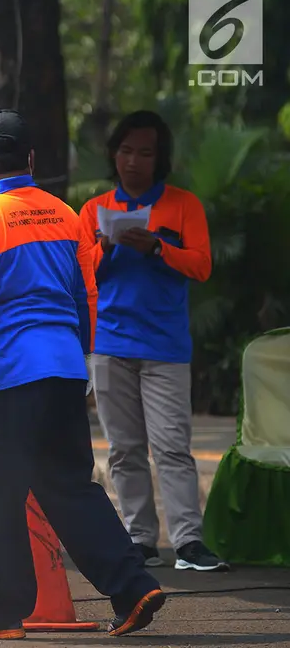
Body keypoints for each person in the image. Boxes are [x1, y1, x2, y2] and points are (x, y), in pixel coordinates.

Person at [0, 109, 164, 640]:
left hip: (4, 378)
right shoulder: (65, 213)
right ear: (31, 159)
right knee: (71, 489)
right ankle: (131, 585)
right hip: (61, 372)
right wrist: (80, 358)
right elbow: (88, 295)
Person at [79, 111, 226, 572]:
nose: (133, 161)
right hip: (110, 344)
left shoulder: (183, 206)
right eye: (125, 151)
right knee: (123, 449)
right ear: (114, 155)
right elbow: (80, 276)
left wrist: (158, 247)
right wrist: (105, 244)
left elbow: (201, 265)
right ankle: (140, 539)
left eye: (145, 152)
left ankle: (188, 543)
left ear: (159, 158)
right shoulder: (93, 210)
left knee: (172, 447)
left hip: (164, 347)